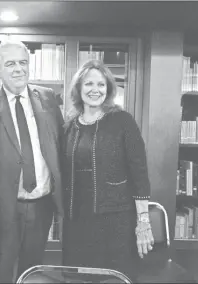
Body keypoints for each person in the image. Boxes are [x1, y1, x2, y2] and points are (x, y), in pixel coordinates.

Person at [0, 39, 64, 283]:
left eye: (23, 62)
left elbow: (60, 146)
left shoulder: (47, 98)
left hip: (42, 203)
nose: (18, 69)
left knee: (33, 270)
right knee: (1, 268)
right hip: (3, 204)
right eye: (10, 64)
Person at [61, 59, 154, 279]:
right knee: (78, 278)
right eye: (89, 84)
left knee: (113, 278)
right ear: (78, 89)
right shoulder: (69, 126)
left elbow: (139, 173)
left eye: (101, 85)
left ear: (109, 89)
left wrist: (143, 223)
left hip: (116, 222)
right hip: (77, 222)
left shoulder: (123, 121)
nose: (95, 90)